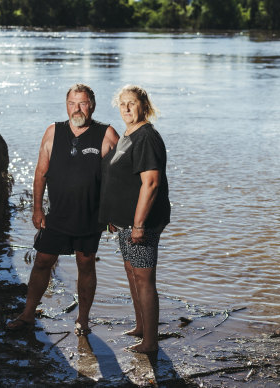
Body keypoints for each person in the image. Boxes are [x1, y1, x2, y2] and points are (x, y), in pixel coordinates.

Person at [7, 83, 119, 336]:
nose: (76, 109)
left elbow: (122, 178)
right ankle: (27, 314)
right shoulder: (53, 132)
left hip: (91, 215)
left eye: (82, 103)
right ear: (66, 105)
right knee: (42, 261)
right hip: (57, 214)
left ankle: (83, 319)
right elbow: (41, 172)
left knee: (86, 263)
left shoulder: (106, 133)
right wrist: (37, 209)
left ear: (92, 105)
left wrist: (115, 213)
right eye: (72, 103)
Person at [99, 85, 170, 354]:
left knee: (144, 278)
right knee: (132, 273)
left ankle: (150, 342)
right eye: (122, 103)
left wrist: (139, 224)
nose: (126, 108)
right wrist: (113, 216)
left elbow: (150, 184)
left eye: (132, 103)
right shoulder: (128, 135)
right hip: (126, 221)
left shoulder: (146, 137)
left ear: (144, 106)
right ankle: (141, 327)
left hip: (144, 222)